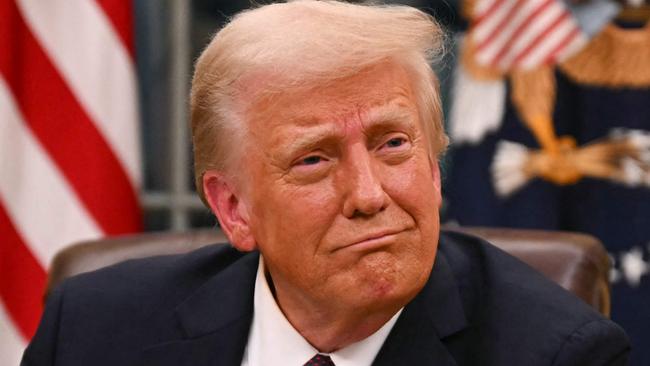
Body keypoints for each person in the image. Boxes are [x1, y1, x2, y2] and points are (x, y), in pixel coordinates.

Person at [22, 1, 630, 365]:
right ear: (233, 207)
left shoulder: (556, 354)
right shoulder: (95, 331)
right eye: (314, 160)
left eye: (394, 144)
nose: (370, 195)